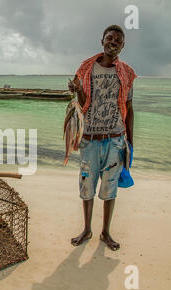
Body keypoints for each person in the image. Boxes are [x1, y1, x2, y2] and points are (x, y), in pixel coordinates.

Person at [68, 25, 136, 251]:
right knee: (86, 186)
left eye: (118, 40)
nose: (113, 42)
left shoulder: (126, 72)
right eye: (109, 38)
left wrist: (131, 142)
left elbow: (129, 107)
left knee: (110, 189)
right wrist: (76, 88)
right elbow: (82, 101)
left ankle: (105, 232)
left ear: (123, 45)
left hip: (116, 139)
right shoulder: (87, 68)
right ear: (102, 41)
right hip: (89, 139)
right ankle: (86, 230)